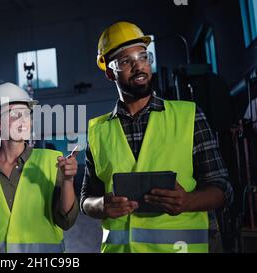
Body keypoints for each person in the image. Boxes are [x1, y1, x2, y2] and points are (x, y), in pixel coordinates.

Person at [81, 21, 233, 253]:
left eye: (143, 57)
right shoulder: (97, 131)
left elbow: (223, 189)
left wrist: (188, 201)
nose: (138, 66)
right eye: (126, 61)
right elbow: (86, 199)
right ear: (110, 73)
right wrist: (101, 204)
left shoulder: (188, 116)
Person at [0, 82, 79, 253]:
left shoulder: (52, 161)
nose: (24, 120)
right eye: (14, 114)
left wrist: (68, 180)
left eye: (27, 114)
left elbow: (66, 221)